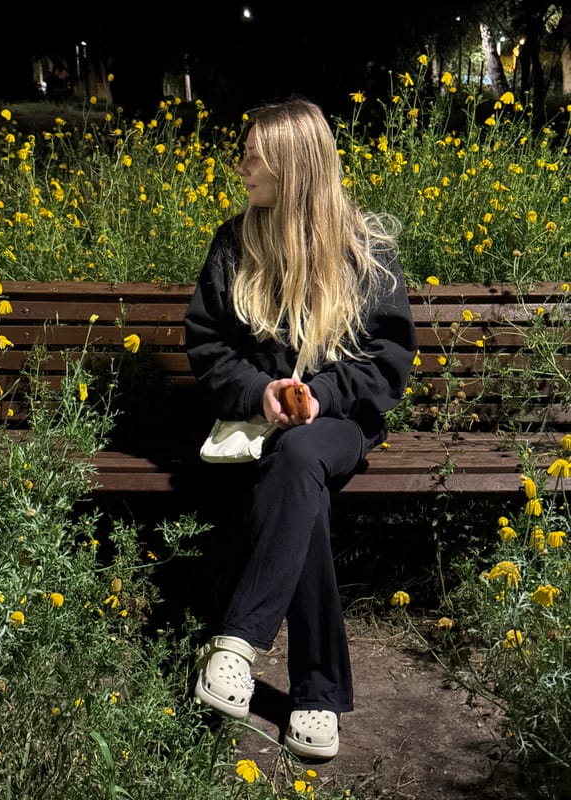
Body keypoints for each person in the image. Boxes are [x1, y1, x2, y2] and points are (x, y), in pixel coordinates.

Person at [184, 97, 417, 760]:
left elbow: (387, 362)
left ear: (293, 164)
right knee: (296, 469)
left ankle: (235, 644)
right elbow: (208, 347)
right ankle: (317, 695)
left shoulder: (365, 250)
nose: (241, 167)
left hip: (338, 424)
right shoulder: (235, 244)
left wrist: (318, 396)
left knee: (304, 450)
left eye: (253, 155)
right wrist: (262, 392)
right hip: (263, 424)